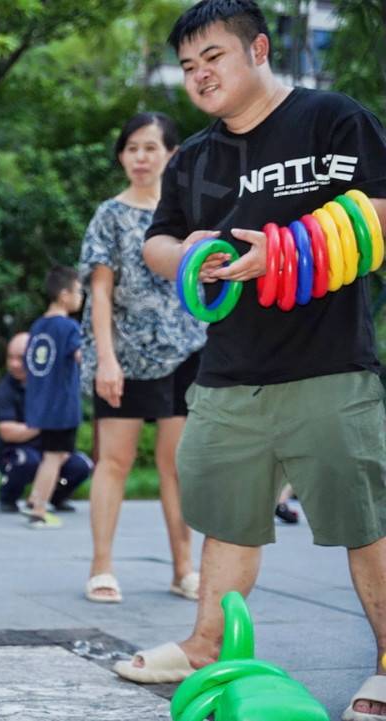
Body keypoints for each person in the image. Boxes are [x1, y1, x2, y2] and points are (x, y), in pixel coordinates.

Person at [115, 4, 386, 720]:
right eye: (190, 65)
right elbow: (157, 242)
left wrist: (287, 248)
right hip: (231, 370)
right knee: (227, 519)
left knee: (365, 519)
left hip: (330, 362)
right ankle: (207, 642)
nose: (200, 75)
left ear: (258, 49)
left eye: (214, 57)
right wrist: (191, 253)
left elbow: (381, 210)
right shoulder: (194, 158)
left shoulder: (332, 119)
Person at [78, 112, 205, 605]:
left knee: (177, 464)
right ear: (121, 156)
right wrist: (106, 359)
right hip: (125, 353)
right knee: (114, 461)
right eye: (132, 148)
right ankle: (101, 567)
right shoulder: (109, 214)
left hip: (187, 349)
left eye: (151, 147)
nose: (140, 157)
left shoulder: (188, 217)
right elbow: (100, 294)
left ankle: (183, 568)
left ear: (172, 155)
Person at [0, 332, 93, 514]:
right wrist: (44, 424)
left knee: (81, 465)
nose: (14, 364)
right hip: (16, 451)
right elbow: (7, 431)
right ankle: (8, 497)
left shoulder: (52, 386)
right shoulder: (5, 390)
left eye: (20, 358)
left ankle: (56, 496)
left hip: (52, 448)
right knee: (28, 461)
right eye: (10, 358)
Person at [21, 266, 84, 530]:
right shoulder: (69, 327)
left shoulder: (38, 326)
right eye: (79, 291)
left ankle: (35, 496)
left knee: (52, 453)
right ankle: (39, 509)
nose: (81, 297)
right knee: (54, 456)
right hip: (62, 405)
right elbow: (80, 356)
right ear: (63, 294)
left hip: (41, 402)